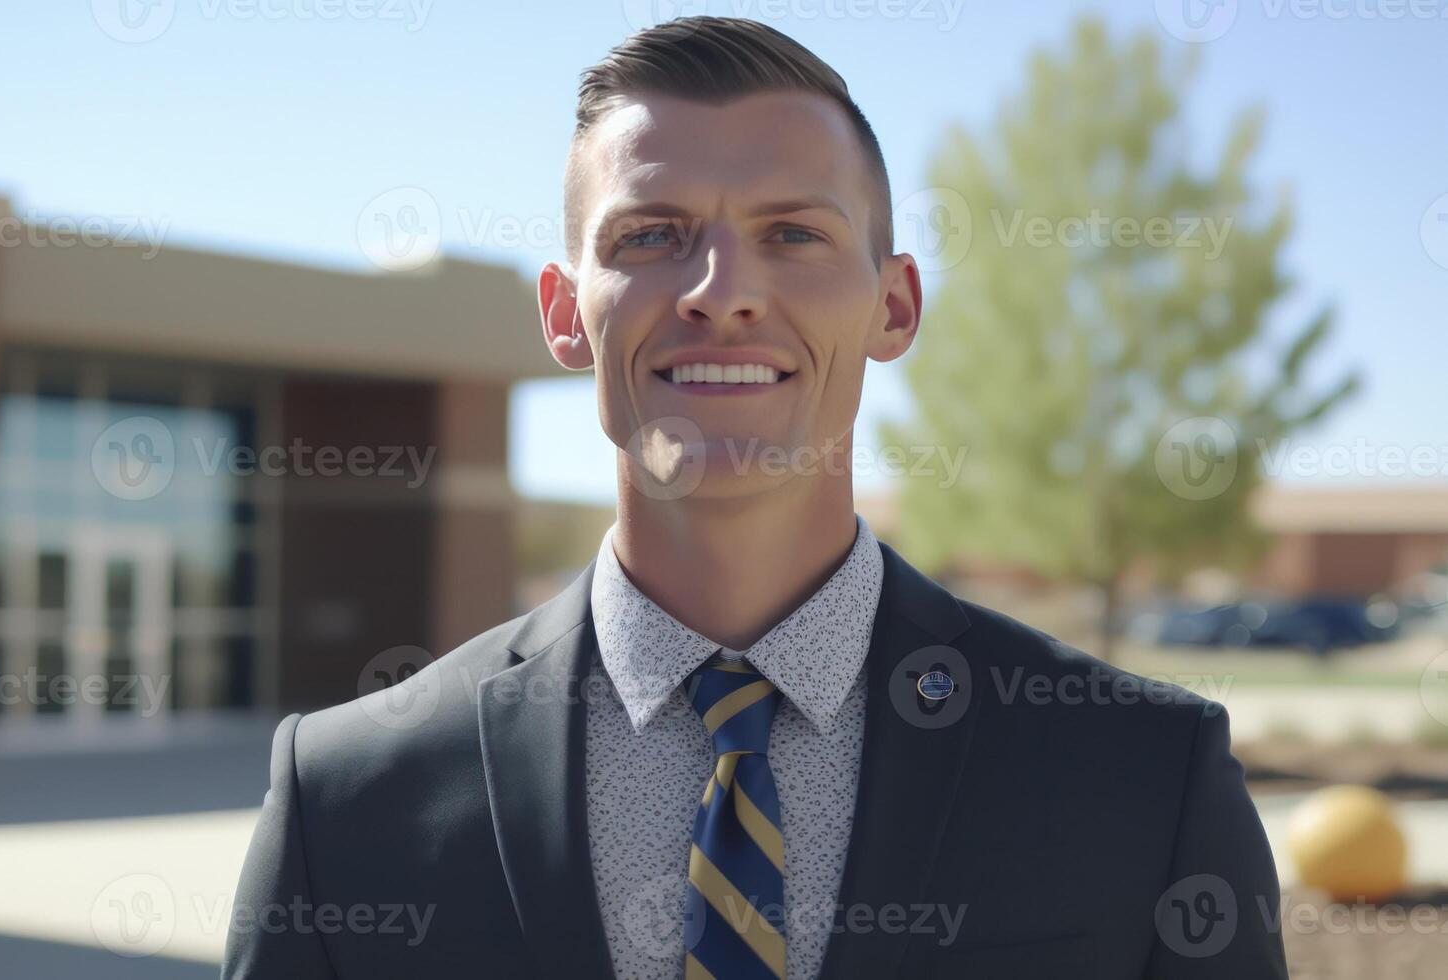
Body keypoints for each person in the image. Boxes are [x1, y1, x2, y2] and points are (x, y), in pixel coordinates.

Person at [223, 16, 1287, 979]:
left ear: (893, 303)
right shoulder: (344, 796)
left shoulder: (1143, 776)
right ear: (561, 313)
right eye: (649, 235)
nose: (720, 288)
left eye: (792, 233)